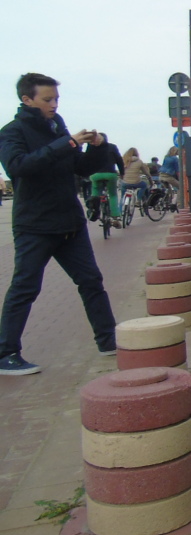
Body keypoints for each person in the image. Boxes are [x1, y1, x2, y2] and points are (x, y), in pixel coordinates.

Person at [0, 73, 119, 375]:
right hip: (35, 225)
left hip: (70, 223)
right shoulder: (12, 132)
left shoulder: (57, 126)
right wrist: (66, 143)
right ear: (27, 100)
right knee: (25, 288)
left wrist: (97, 146)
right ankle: (6, 354)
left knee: (91, 281)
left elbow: (81, 167)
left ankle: (109, 340)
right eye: (47, 99)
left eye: (56, 99)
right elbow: (19, 166)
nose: (54, 105)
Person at [86, 132, 124, 223]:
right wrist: (122, 173)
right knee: (113, 195)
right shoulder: (112, 147)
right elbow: (119, 160)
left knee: (95, 193)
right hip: (110, 174)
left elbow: (86, 159)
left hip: (95, 174)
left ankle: (94, 211)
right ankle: (115, 216)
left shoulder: (91, 147)